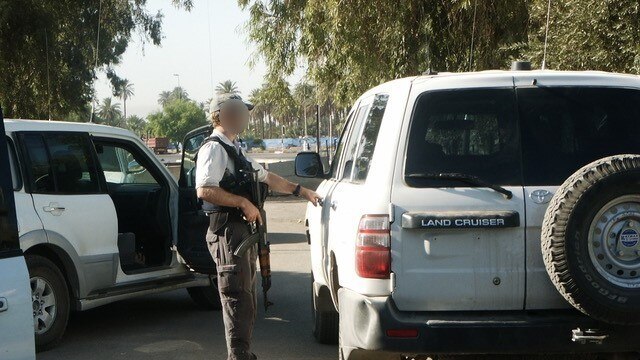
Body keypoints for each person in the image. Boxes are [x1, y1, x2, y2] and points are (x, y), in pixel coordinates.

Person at [195, 93, 321, 360]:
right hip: (228, 233)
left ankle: (242, 354)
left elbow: (267, 177)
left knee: (246, 298)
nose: (245, 117)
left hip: (241, 236)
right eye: (240, 111)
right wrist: (242, 202)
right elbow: (204, 189)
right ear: (223, 114)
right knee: (237, 298)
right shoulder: (214, 148)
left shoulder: (234, 149)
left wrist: (301, 190)